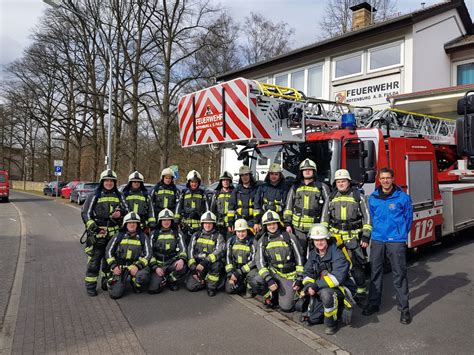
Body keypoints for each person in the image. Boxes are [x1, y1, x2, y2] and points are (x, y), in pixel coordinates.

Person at [363, 167, 413, 325]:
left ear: (393, 179)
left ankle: (404, 309)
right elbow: (370, 218)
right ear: (379, 180)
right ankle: (373, 303)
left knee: (399, 274)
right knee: (375, 272)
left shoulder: (403, 198)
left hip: (395, 240)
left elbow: (408, 218)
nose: (385, 180)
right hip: (377, 239)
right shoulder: (373, 198)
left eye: (388, 178)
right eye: (382, 178)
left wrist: (400, 234)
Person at [321, 169, 372, 303]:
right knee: (335, 267)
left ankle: (361, 294)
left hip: (353, 240)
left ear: (348, 182)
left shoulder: (358, 197)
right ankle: (341, 293)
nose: (341, 183)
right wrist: (324, 237)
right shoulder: (331, 197)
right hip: (335, 240)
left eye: (343, 181)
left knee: (356, 268)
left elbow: (367, 218)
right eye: (338, 181)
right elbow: (324, 219)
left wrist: (366, 237)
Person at [301, 224, 356, 335]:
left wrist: (315, 286)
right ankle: (339, 309)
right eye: (316, 240)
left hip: (342, 287)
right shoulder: (313, 254)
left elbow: (337, 278)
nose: (319, 243)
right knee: (313, 318)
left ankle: (331, 323)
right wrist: (308, 286)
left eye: (321, 239)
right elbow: (307, 272)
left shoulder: (337, 252)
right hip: (322, 286)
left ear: (327, 239)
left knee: (327, 295)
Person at [81, 169, 128, 296]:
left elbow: (127, 211)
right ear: (102, 182)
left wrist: (121, 213)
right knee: (94, 261)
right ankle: (90, 286)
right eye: (107, 181)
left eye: (111, 181)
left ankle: (106, 281)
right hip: (98, 234)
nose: (109, 183)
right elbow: (86, 214)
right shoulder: (94, 195)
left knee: (110, 260)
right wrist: (95, 228)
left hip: (113, 234)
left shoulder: (120, 196)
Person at [251, 210, 304, 312]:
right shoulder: (263, 240)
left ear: (278, 223)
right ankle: (272, 295)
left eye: (273, 223)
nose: (271, 227)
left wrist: (299, 278)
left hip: (289, 275)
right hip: (274, 273)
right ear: (265, 226)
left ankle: (283, 291)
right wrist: (269, 279)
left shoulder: (290, 237)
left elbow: (300, 259)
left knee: (286, 307)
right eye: (268, 224)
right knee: (255, 280)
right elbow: (260, 262)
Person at [284, 158, 330, 257]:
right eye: (305, 170)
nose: (307, 171)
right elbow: (288, 206)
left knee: (318, 254)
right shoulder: (295, 187)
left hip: (316, 227)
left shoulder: (322, 187)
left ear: (314, 171)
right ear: (301, 172)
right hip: (298, 228)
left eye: (310, 169)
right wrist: (287, 223)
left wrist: (323, 225)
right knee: (299, 253)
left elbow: (328, 207)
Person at [105, 212, 151, 299]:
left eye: (134, 222)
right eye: (130, 222)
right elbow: (108, 252)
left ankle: (135, 282)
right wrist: (114, 266)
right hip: (120, 267)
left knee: (144, 276)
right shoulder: (118, 236)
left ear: (138, 224)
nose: (132, 224)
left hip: (135, 266)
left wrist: (138, 266)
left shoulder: (143, 237)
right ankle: (115, 280)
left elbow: (148, 254)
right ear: (125, 224)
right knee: (115, 294)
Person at [186, 211, 225, 297]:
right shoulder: (196, 235)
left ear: (214, 224)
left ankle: (211, 287)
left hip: (211, 264)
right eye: (206, 223)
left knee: (217, 264)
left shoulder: (218, 236)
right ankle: (204, 281)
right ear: (202, 224)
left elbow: (219, 251)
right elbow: (190, 250)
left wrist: (205, 262)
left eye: (210, 223)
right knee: (190, 286)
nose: (208, 225)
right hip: (198, 264)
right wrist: (193, 267)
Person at [148, 208, 187, 293]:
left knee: (183, 267)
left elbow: (183, 249)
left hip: (171, 263)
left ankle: (171, 279)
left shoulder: (178, 233)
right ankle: (161, 277)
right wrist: (155, 267)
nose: (166, 222)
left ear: (172, 221)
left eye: (168, 220)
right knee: (153, 289)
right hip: (158, 264)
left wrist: (181, 259)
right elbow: (149, 253)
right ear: (160, 221)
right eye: (164, 220)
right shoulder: (154, 234)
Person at [253, 163, 289, 235]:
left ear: (280, 175)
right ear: (268, 175)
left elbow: (287, 207)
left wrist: (287, 224)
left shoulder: (285, 188)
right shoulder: (262, 187)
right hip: (264, 219)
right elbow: (257, 205)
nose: (274, 176)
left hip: (279, 220)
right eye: (272, 174)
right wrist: (256, 222)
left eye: (276, 174)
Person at [224, 219, 257, 297]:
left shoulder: (253, 241)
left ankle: (249, 286)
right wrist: (230, 274)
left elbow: (254, 261)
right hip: (235, 271)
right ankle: (242, 285)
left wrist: (240, 272)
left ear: (247, 230)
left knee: (253, 276)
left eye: (243, 231)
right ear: (235, 231)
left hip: (248, 270)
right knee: (229, 289)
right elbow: (228, 258)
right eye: (238, 232)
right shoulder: (231, 241)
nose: (241, 234)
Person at [175, 170, 209, 244]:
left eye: (196, 182)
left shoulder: (203, 193)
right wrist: (177, 220)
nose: (194, 184)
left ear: (198, 183)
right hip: (186, 226)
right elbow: (179, 207)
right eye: (192, 182)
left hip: (199, 226)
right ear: (189, 182)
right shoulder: (183, 193)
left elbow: (207, 210)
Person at [227, 165, 258, 233]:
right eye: (242, 175)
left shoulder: (256, 190)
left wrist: (257, 222)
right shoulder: (236, 191)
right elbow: (231, 208)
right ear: (240, 177)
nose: (245, 177)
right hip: (239, 221)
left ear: (250, 175)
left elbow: (258, 207)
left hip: (252, 222)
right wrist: (230, 223)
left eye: (246, 175)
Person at [210, 171, 234, 239]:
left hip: (230, 225)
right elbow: (212, 210)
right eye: (223, 180)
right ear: (221, 182)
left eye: (227, 180)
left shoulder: (234, 194)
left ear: (230, 181)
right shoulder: (216, 194)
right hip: (219, 224)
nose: (225, 182)